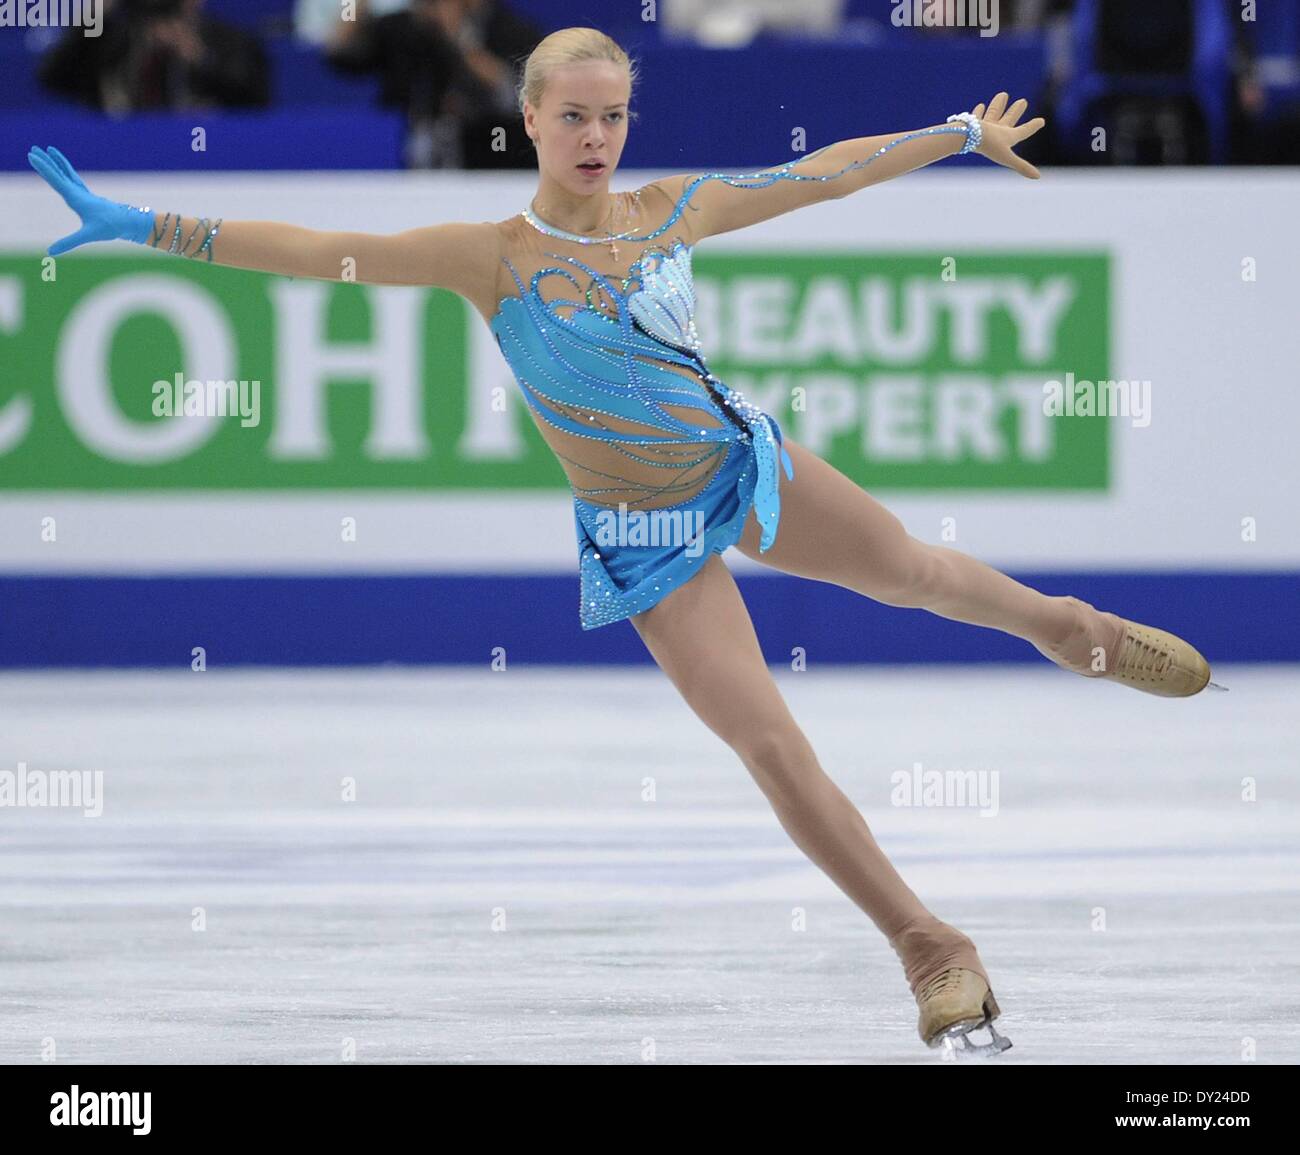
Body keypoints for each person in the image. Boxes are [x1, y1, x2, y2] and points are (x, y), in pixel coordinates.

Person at [26, 26, 1213, 1055]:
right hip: (642, 536)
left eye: (614, 116)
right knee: (771, 748)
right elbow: (315, 252)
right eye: (574, 117)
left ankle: (1070, 627)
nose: (596, 137)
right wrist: (149, 223)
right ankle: (928, 948)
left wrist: (952, 131)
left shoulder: (671, 211)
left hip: (738, 465)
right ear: (530, 119)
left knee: (908, 570)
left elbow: (819, 176)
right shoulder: (486, 257)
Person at [39, 0, 270, 114]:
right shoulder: (110, 39)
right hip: (120, 153)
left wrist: (201, 61)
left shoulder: (228, 41)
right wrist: (93, 18)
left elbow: (256, 101)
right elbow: (54, 79)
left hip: (201, 153)